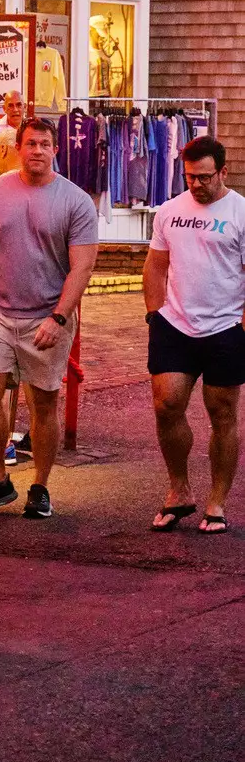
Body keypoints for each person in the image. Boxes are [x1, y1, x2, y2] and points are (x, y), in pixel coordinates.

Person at [0, 117, 98, 520]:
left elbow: (82, 267)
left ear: (55, 150)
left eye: (45, 144)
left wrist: (59, 318)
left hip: (47, 315)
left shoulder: (75, 201)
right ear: (18, 149)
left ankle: (40, 486)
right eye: (31, 144)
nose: (37, 151)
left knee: (43, 402)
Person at [143, 135, 245, 534]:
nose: (197, 184)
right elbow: (155, 265)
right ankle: (179, 490)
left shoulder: (240, 212)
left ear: (223, 172)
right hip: (174, 324)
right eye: (190, 177)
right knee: (167, 405)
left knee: (223, 414)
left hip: (225, 327)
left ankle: (217, 501)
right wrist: (155, 315)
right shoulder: (169, 211)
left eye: (204, 177)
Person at [0, 92, 28, 179]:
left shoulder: (31, 130)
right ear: (4, 108)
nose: (15, 109)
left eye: (19, 105)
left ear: (25, 107)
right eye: (10, 106)